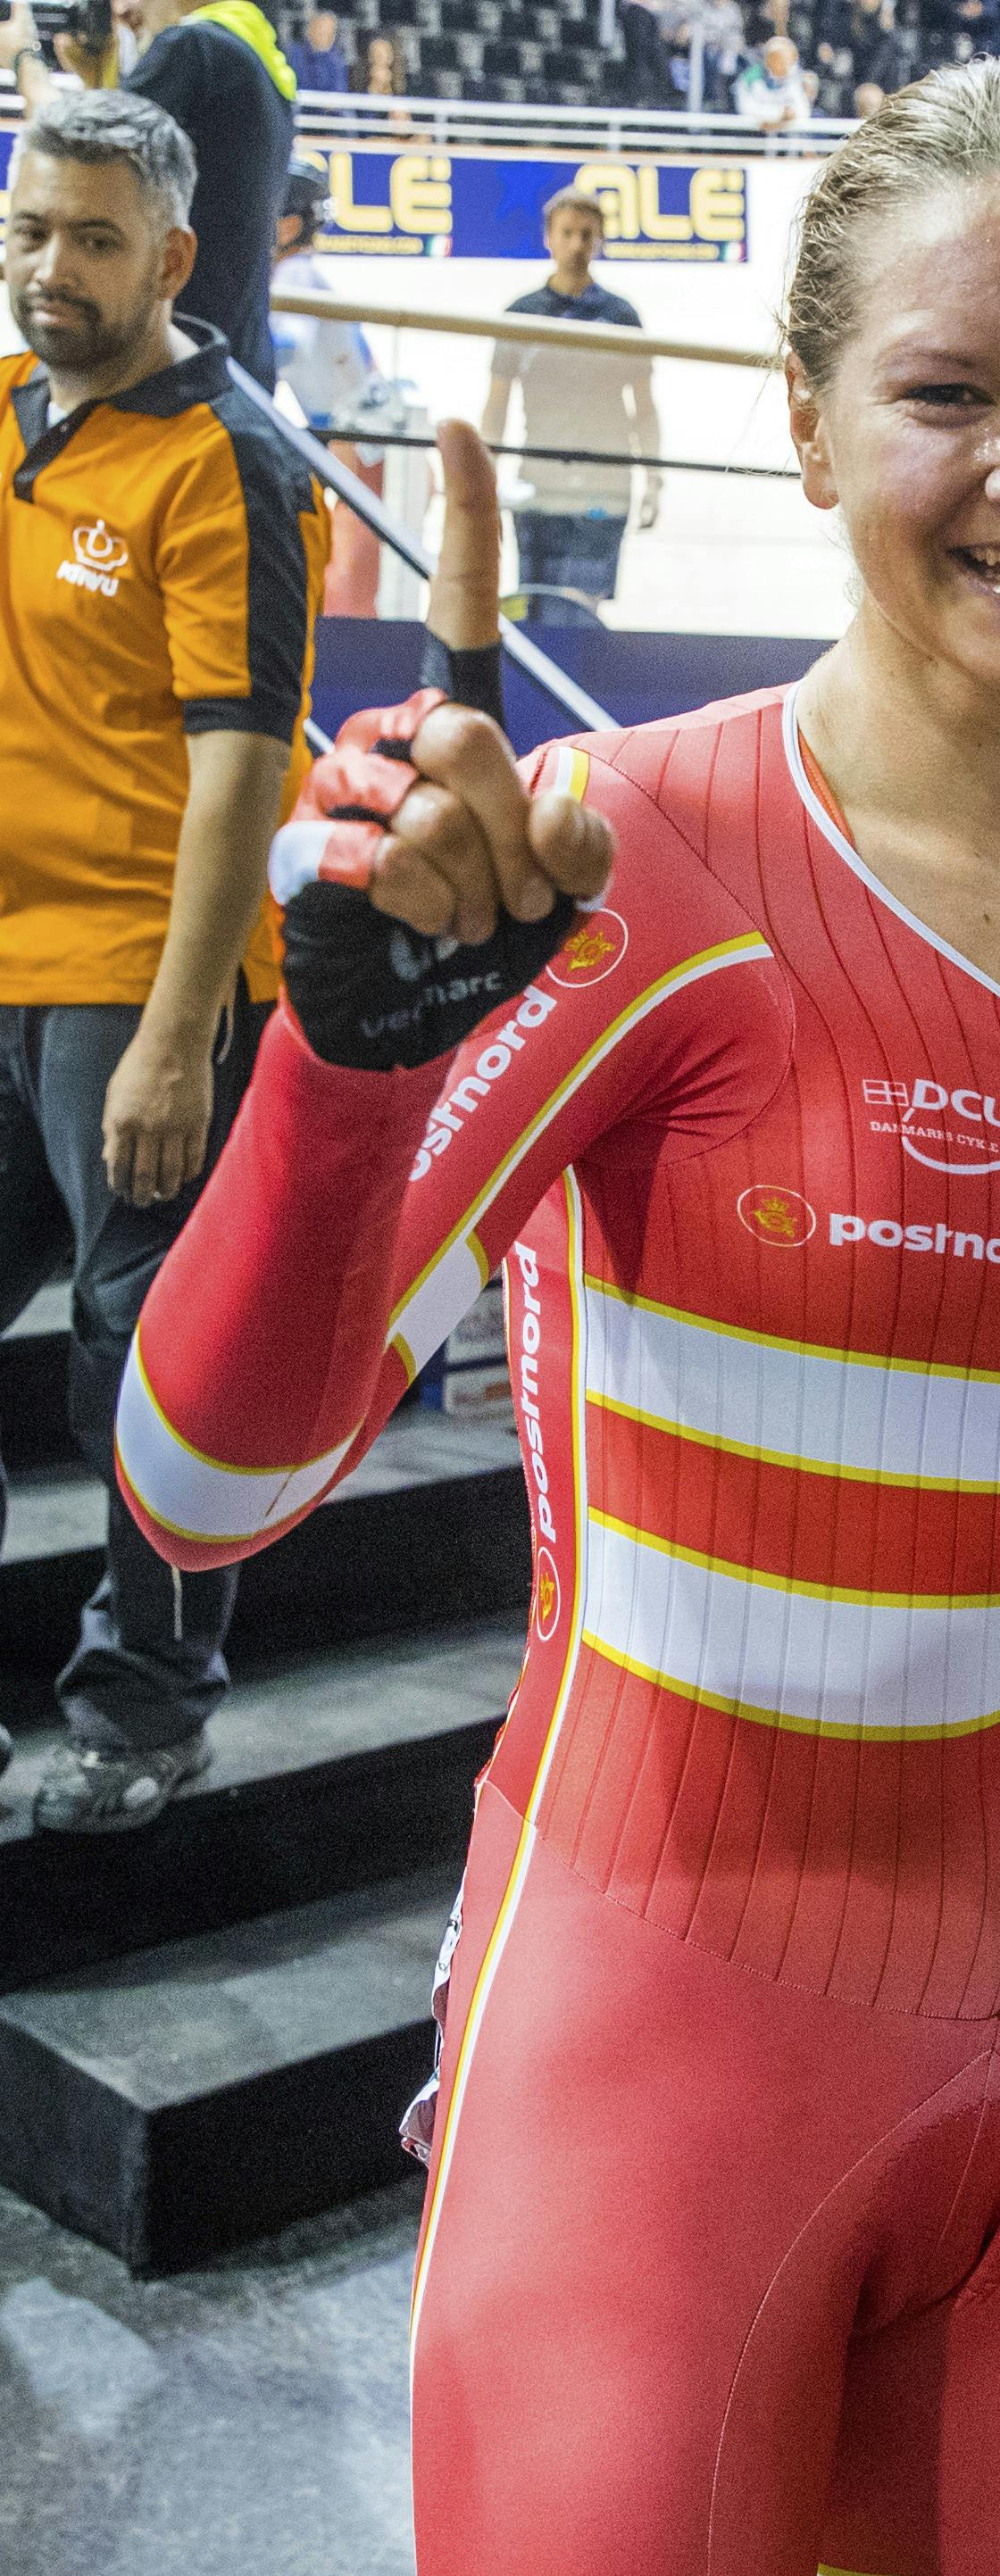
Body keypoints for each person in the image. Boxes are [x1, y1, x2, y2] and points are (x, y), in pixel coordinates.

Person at [121, 62, 1000, 2572]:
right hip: (669, 2053)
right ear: (801, 423)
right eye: (946, 390)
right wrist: (337, 1080)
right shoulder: (634, 849)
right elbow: (209, 1476)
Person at [0, 89, 327, 1824]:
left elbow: (242, 762)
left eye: (96, 239)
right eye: (33, 228)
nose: (54, 268)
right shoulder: (10, 415)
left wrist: (174, 1032)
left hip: (143, 982)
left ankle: (146, 1710)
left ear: (174, 259)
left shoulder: (231, 462)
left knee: (142, 1368)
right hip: (5, 963)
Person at [3, 0, 296, 390]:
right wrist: (98, 81)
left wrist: (24, 58)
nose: (122, 10)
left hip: (165, 381)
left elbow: (75, 158)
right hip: (234, 365)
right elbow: (134, 184)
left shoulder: (192, 46)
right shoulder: (255, 58)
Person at [479, 187, 662, 627]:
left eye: (587, 234)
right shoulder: (521, 314)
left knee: (584, 607)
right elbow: (497, 406)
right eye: (568, 233)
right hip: (539, 482)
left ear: (600, 239)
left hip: (606, 481)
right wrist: (483, 477)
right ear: (549, 238)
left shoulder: (622, 317)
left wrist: (654, 480)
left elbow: (644, 407)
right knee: (534, 605)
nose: (577, 244)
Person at [271, 158, 396, 615]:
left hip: (360, 442)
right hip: (359, 438)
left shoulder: (296, 275)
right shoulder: (301, 272)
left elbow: (289, 347)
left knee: (347, 585)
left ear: (286, 225)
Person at [735, 27, 812, 121]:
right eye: (780, 60)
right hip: (753, 131)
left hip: (785, 131)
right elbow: (745, 109)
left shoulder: (795, 77)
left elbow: (803, 111)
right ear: (768, 60)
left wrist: (786, 117)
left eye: (788, 61)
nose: (786, 65)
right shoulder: (750, 77)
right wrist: (778, 115)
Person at [285, 3, 346, 86]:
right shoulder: (294, 54)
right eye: (321, 29)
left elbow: (339, 92)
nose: (325, 35)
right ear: (310, 30)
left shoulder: (337, 61)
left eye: (330, 31)